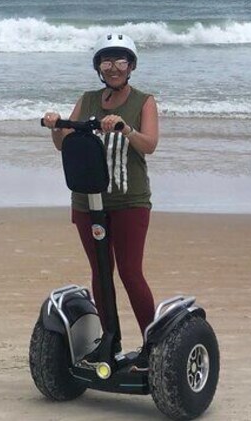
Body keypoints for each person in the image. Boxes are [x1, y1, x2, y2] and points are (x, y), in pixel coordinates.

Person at [42, 33, 159, 348]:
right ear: (99, 66)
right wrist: (57, 126)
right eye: (107, 61)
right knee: (101, 271)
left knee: (130, 272)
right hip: (87, 201)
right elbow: (63, 142)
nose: (113, 67)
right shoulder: (88, 99)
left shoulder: (143, 101)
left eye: (120, 61)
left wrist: (125, 128)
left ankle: (155, 344)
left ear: (131, 66)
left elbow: (149, 144)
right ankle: (111, 342)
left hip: (129, 201)